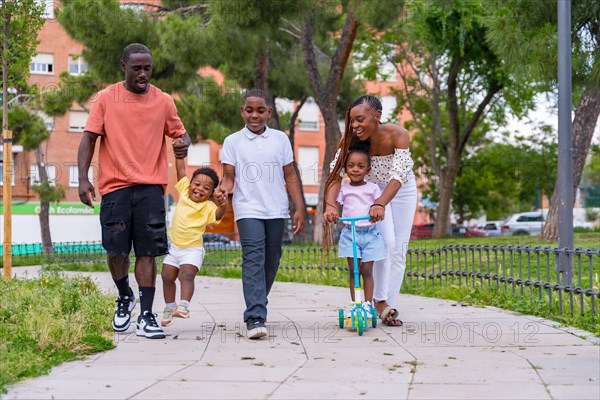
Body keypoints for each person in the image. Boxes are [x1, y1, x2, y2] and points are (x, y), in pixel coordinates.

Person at [78, 43, 191, 339]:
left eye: (148, 68)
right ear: (123, 67)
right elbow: (88, 139)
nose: (143, 74)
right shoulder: (106, 98)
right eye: (137, 68)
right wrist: (82, 178)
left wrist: (184, 143)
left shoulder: (164, 101)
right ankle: (124, 295)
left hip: (151, 188)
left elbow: (180, 133)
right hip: (115, 187)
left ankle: (147, 315)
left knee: (147, 251)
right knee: (116, 250)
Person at [323, 95, 417, 326]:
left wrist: (380, 204)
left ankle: (386, 306)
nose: (355, 125)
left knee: (399, 249)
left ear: (377, 117)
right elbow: (335, 175)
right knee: (386, 243)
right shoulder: (351, 140)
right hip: (371, 193)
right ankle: (377, 301)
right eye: (352, 121)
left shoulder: (398, 135)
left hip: (401, 189)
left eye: (360, 119)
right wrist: (330, 204)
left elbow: (398, 175)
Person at [219, 88, 305, 340]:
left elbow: (290, 176)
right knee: (254, 258)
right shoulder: (232, 141)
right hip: (248, 209)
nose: (254, 115)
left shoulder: (280, 139)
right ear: (242, 112)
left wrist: (299, 207)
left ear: (269, 112)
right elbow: (228, 178)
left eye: (260, 110)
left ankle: (258, 300)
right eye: (249, 110)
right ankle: (255, 316)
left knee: (272, 258)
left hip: (276, 209)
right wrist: (221, 191)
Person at [161, 147, 228, 327]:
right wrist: (179, 155)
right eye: (197, 184)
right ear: (190, 184)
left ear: (212, 193)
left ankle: (183, 306)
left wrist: (224, 203)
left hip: (192, 249)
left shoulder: (208, 208)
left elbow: (220, 215)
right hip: (174, 246)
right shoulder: (183, 191)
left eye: (206, 188)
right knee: (167, 276)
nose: (199, 189)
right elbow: (181, 169)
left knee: (187, 274)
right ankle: (169, 307)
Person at [326, 148, 386, 316]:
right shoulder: (344, 189)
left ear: (368, 170)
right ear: (345, 168)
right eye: (351, 166)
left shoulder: (373, 188)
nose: (355, 169)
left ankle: (368, 304)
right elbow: (335, 205)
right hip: (350, 234)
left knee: (367, 270)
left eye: (360, 166)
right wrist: (332, 212)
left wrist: (379, 212)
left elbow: (379, 206)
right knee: (354, 271)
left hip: (370, 234)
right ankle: (356, 304)